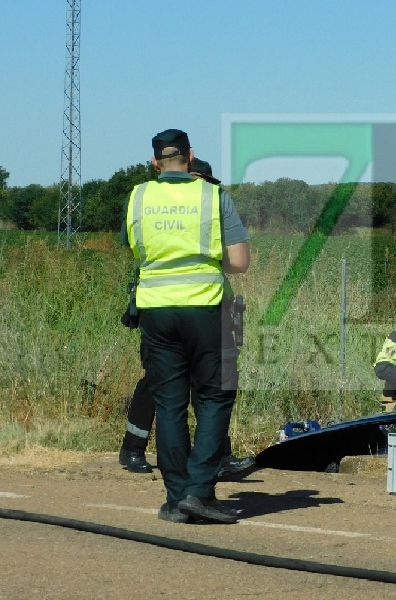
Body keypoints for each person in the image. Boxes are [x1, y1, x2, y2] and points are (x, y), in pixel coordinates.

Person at [122, 129, 250, 524]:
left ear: (155, 162)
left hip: (156, 310)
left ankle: (176, 498)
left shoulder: (139, 196)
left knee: (169, 403)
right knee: (214, 397)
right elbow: (240, 261)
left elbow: (135, 248)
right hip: (204, 307)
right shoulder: (213, 196)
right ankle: (200, 491)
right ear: (191, 158)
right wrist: (210, 263)